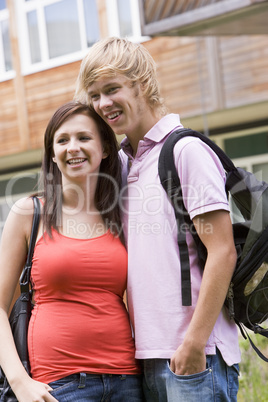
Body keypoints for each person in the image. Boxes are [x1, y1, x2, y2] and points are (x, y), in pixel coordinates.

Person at [75, 37, 241, 401]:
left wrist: (194, 344)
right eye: (94, 95)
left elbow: (222, 251)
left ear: (142, 83)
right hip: (145, 357)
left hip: (197, 357)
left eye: (112, 89)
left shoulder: (185, 151)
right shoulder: (121, 164)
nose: (103, 104)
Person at [0, 101, 144, 402]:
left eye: (83, 137)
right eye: (62, 140)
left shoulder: (121, 216)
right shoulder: (30, 212)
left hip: (127, 380)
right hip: (57, 386)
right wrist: (19, 381)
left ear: (105, 148)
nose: (73, 147)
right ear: (52, 153)